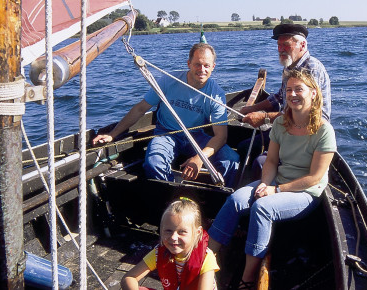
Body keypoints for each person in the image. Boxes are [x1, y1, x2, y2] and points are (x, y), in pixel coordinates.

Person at [207, 69, 337, 289]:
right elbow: (271, 161)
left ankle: (247, 279)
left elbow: (315, 178)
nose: (293, 94)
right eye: (288, 90)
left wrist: (275, 191)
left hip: (306, 192)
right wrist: (266, 183)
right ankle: (206, 259)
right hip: (278, 182)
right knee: (236, 200)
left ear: (313, 93)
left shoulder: (324, 131)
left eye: (299, 89)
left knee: (263, 208)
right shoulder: (280, 124)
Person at [92, 43, 239, 186]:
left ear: (213, 67)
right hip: (167, 133)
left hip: (196, 135)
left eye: (206, 65)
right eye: (197, 64)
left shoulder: (216, 94)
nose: (202, 70)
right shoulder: (168, 81)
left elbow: (221, 136)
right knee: (154, 163)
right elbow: (140, 109)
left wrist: (199, 159)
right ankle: (171, 197)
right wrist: (113, 134)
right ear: (188, 63)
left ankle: (219, 199)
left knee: (231, 160)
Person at [240, 23, 331, 127]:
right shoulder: (289, 64)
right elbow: (279, 96)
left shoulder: (312, 68)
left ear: (302, 46)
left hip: (310, 131)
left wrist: (264, 117)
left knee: (243, 143)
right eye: (279, 45)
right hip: (289, 124)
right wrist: (253, 108)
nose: (281, 50)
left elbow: (306, 113)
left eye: (286, 45)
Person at [121, 198, 219, 290]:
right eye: (168, 230)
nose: (173, 237)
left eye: (182, 231)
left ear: (197, 233)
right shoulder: (158, 253)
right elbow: (129, 277)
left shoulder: (206, 258)